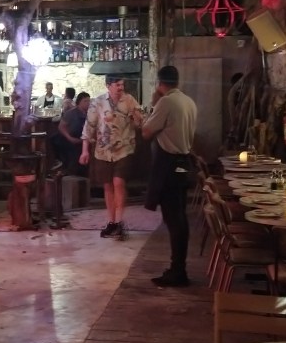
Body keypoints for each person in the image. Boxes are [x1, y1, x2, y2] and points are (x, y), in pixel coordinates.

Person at [141, 65, 198, 287]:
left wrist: (152, 107)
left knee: (174, 220)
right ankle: (178, 267)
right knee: (180, 217)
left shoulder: (166, 102)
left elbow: (146, 132)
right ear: (177, 81)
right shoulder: (188, 101)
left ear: (159, 83)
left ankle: (178, 271)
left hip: (169, 165)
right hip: (183, 163)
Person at [80, 75, 144, 238]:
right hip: (103, 151)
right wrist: (85, 151)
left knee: (118, 182)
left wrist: (138, 118)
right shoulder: (98, 102)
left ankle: (120, 221)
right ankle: (112, 221)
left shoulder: (129, 100)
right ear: (108, 86)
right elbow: (89, 126)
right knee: (108, 185)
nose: (121, 88)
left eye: (122, 84)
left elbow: (140, 122)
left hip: (124, 148)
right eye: (117, 85)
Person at [51, 91, 90, 173]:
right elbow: (61, 127)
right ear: (79, 102)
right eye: (85, 101)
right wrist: (70, 138)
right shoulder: (71, 113)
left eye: (89, 101)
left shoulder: (90, 113)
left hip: (84, 140)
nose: (88, 103)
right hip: (71, 139)